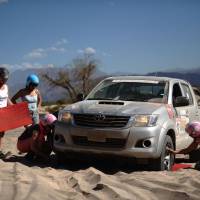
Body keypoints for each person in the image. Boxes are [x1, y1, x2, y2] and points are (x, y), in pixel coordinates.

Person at [0, 67, 13, 158]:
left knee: (1, 133)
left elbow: (6, 99)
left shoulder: (6, 87)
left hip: (4, 113)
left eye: (6, 78)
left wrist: (13, 106)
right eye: (3, 78)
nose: (4, 80)